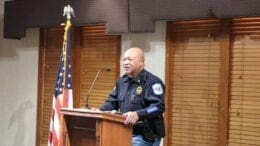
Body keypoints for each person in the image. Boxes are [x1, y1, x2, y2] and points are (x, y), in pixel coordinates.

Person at [100, 47, 165, 146]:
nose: (126, 62)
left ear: (141, 62)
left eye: (130, 59)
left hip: (144, 136)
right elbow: (112, 102)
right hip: (124, 131)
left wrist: (138, 114)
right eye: (124, 59)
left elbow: (157, 107)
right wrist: (99, 111)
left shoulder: (153, 82)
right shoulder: (122, 81)